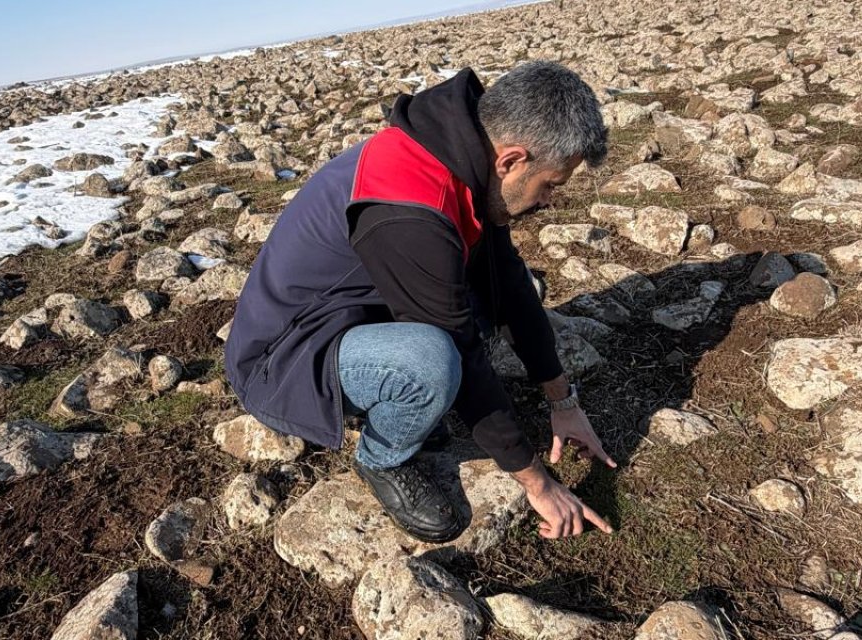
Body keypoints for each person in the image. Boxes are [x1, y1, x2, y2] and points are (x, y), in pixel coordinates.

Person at [225, 60, 616, 543]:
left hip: (349, 316)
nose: (550, 201)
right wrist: (536, 483)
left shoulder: (463, 156)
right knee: (432, 362)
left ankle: (400, 398)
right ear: (511, 160)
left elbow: (508, 284)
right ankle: (381, 457)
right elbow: (462, 352)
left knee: (491, 298)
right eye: (551, 185)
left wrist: (563, 401)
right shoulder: (410, 206)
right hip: (283, 360)